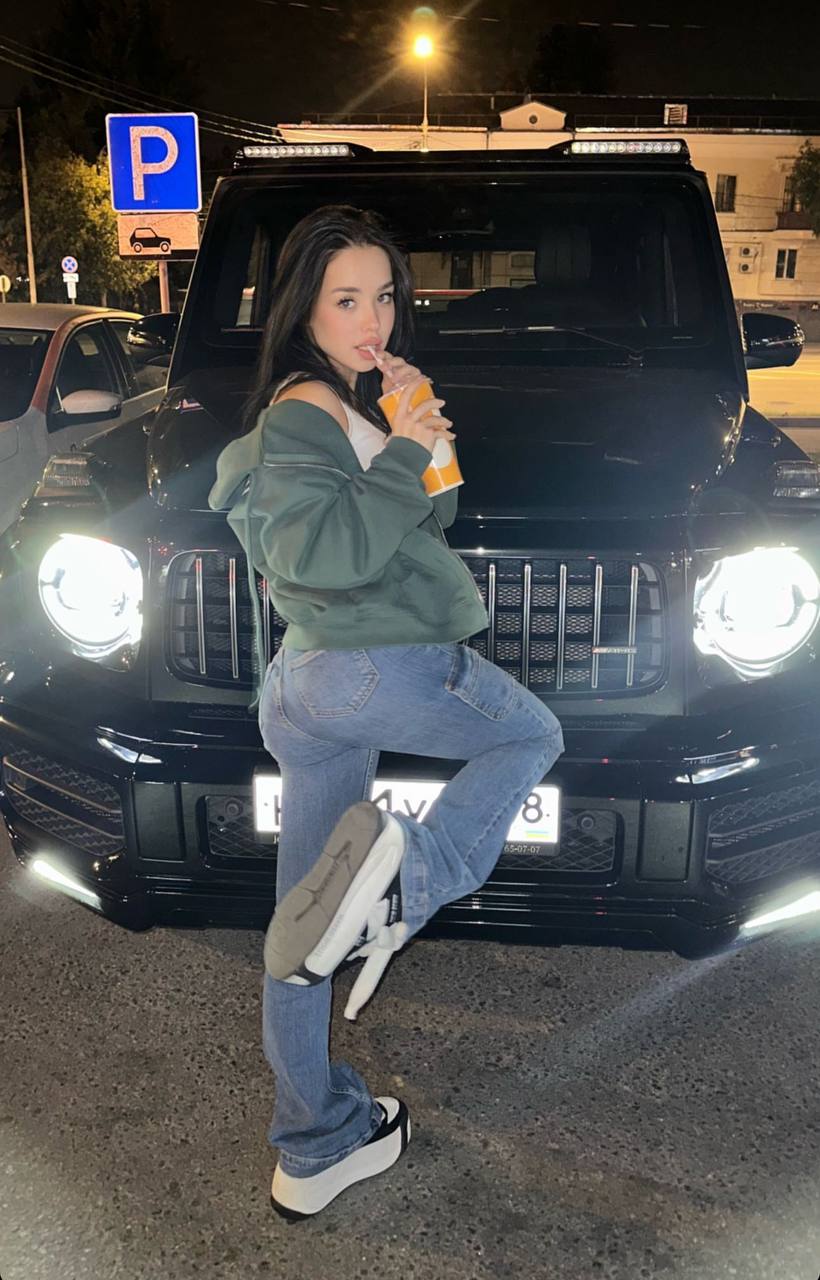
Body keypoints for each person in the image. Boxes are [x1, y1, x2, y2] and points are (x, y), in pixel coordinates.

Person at [208, 205, 564, 1221]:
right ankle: (409, 878)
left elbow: (432, 514)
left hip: (313, 685)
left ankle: (314, 1143)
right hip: (374, 663)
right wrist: (401, 452)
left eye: (385, 297)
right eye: (346, 299)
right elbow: (321, 552)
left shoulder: (352, 398)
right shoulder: (302, 410)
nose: (373, 319)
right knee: (530, 733)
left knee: (303, 928)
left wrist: (420, 429)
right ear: (302, 311)